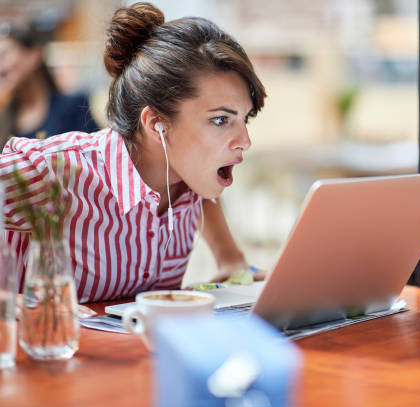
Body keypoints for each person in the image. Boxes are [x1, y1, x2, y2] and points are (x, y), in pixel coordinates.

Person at [0, 2, 267, 302]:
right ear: (157, 124)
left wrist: (229, 257)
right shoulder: (52, 170)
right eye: (220, 120)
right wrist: (19, 309)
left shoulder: (189, 177)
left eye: (245, 119)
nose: (245, 140)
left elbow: (205, 198)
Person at [0, 19, 98, 146]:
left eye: (3, 55)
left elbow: (95, 157)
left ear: (34, 55)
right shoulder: (3, 120)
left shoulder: (74, 107)